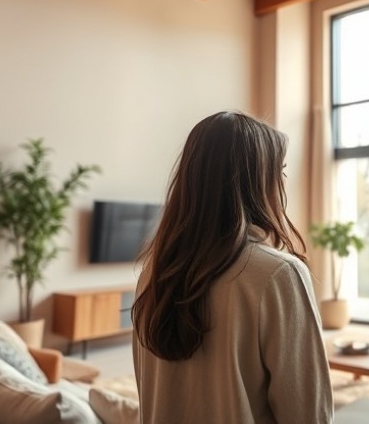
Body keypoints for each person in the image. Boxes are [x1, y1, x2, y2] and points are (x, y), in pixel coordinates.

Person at [131, 111, 333, 424]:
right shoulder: (278, 275)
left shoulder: (154, 274)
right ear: (258, 181)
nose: (282, 182)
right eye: (279, 171)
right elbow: (308, 416)